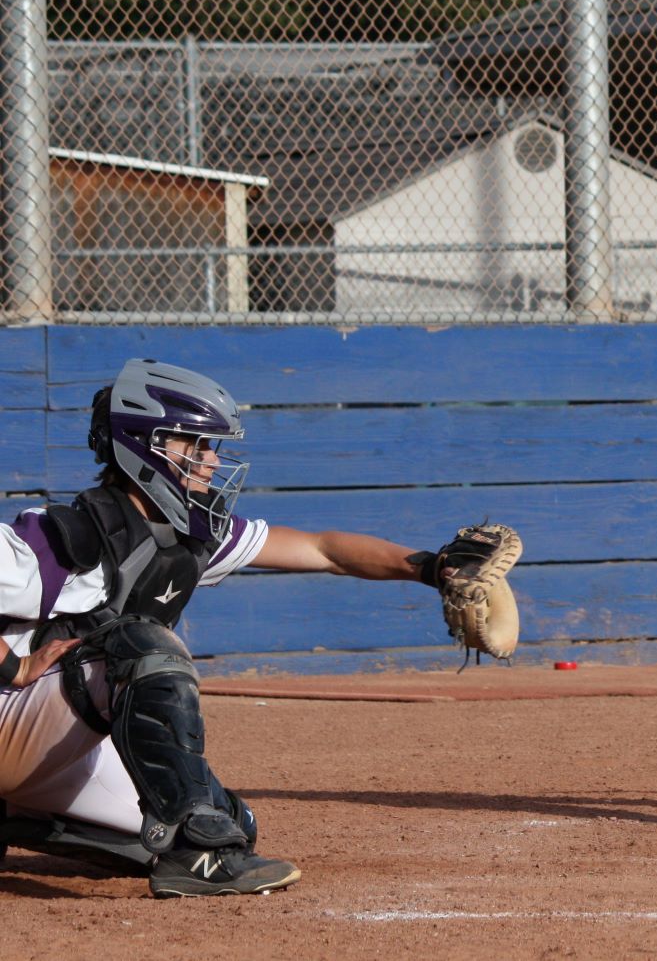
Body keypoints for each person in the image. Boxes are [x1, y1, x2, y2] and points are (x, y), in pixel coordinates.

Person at [0, 358, 518, 896]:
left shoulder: (186, 535)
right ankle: (197, 859)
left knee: (229, 822)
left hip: (42, 742)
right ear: (140, 444)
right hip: (13, 716)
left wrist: (432, 569)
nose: (209, 461)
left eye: (211, 447)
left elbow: (324, 551)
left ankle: (21, 814)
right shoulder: (64, 537)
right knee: (145, 647)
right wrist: (13, 665)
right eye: (192, 445)